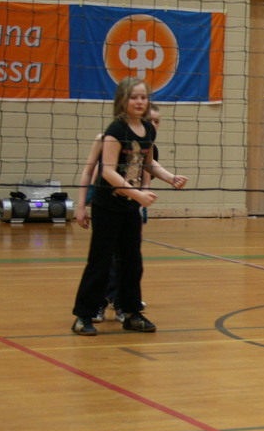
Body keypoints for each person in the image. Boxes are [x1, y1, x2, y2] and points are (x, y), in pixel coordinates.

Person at [71, 79, 186, 336]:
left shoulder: (148, 129)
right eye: (134, 97)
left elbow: (148, 163)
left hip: (129, 205)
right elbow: (108, 172)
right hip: (107, 205)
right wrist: (137, 194)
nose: (139, 102)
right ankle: (84, 315)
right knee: (100, 262)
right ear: (123, 100)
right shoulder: (116, 130)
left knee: (132, 262)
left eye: (143, 97)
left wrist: (170, 177)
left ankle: (132, 313)